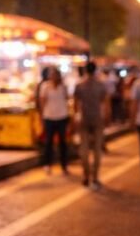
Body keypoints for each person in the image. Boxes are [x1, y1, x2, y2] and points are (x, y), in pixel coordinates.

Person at [74, 61, 109, 189]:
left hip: (84, 119)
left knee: (84, 149)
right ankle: (95, 177)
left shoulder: (79, 85)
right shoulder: (100, 85)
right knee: (97, 150)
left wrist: (75, 118)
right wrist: (107, 118)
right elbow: (105, 103)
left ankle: (85, 175)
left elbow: (75, 105)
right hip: (97, 119)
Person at [39, 67, 71, 175]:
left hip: (62, 117)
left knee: (63, 143)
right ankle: (47, 164)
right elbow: (42, 101)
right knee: (48, 142)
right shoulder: (45, 86)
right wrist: (42, 117)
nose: (52, 76)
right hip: (49, 117)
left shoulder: (63, 86)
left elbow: (67, 99)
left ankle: (64, 165)